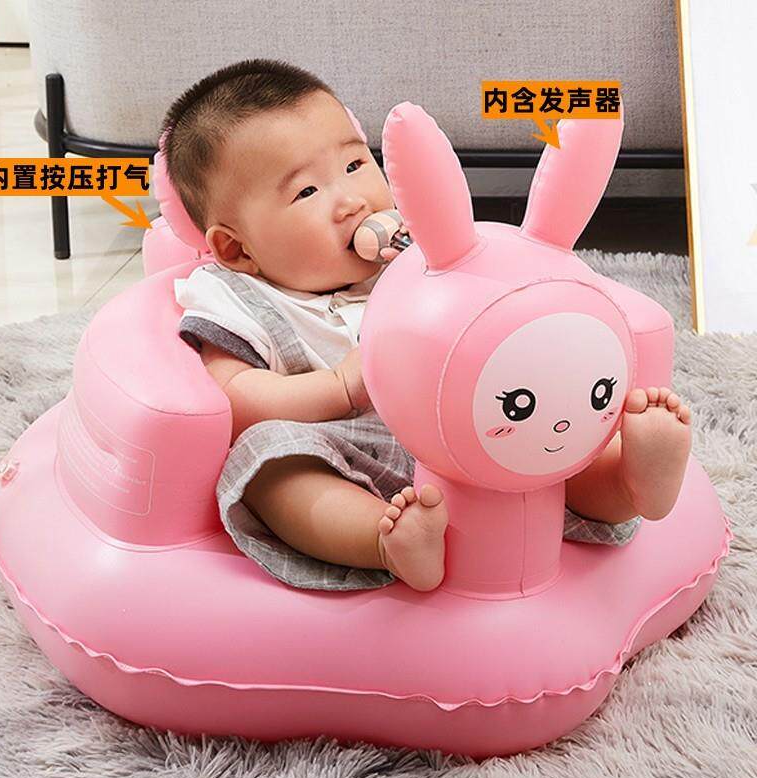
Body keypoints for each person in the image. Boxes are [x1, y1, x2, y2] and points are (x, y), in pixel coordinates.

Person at [164, 58, 692, 592]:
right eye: (307, 192)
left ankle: (631, 481)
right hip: (344, 448)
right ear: (237, 248)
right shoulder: (235, 294)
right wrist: (339, 386)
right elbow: (234, 397)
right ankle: (385, 539)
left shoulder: (420, 252)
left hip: (479, 427)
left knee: (553, 432)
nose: (351, 201)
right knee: (266, 461)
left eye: (355, 164)